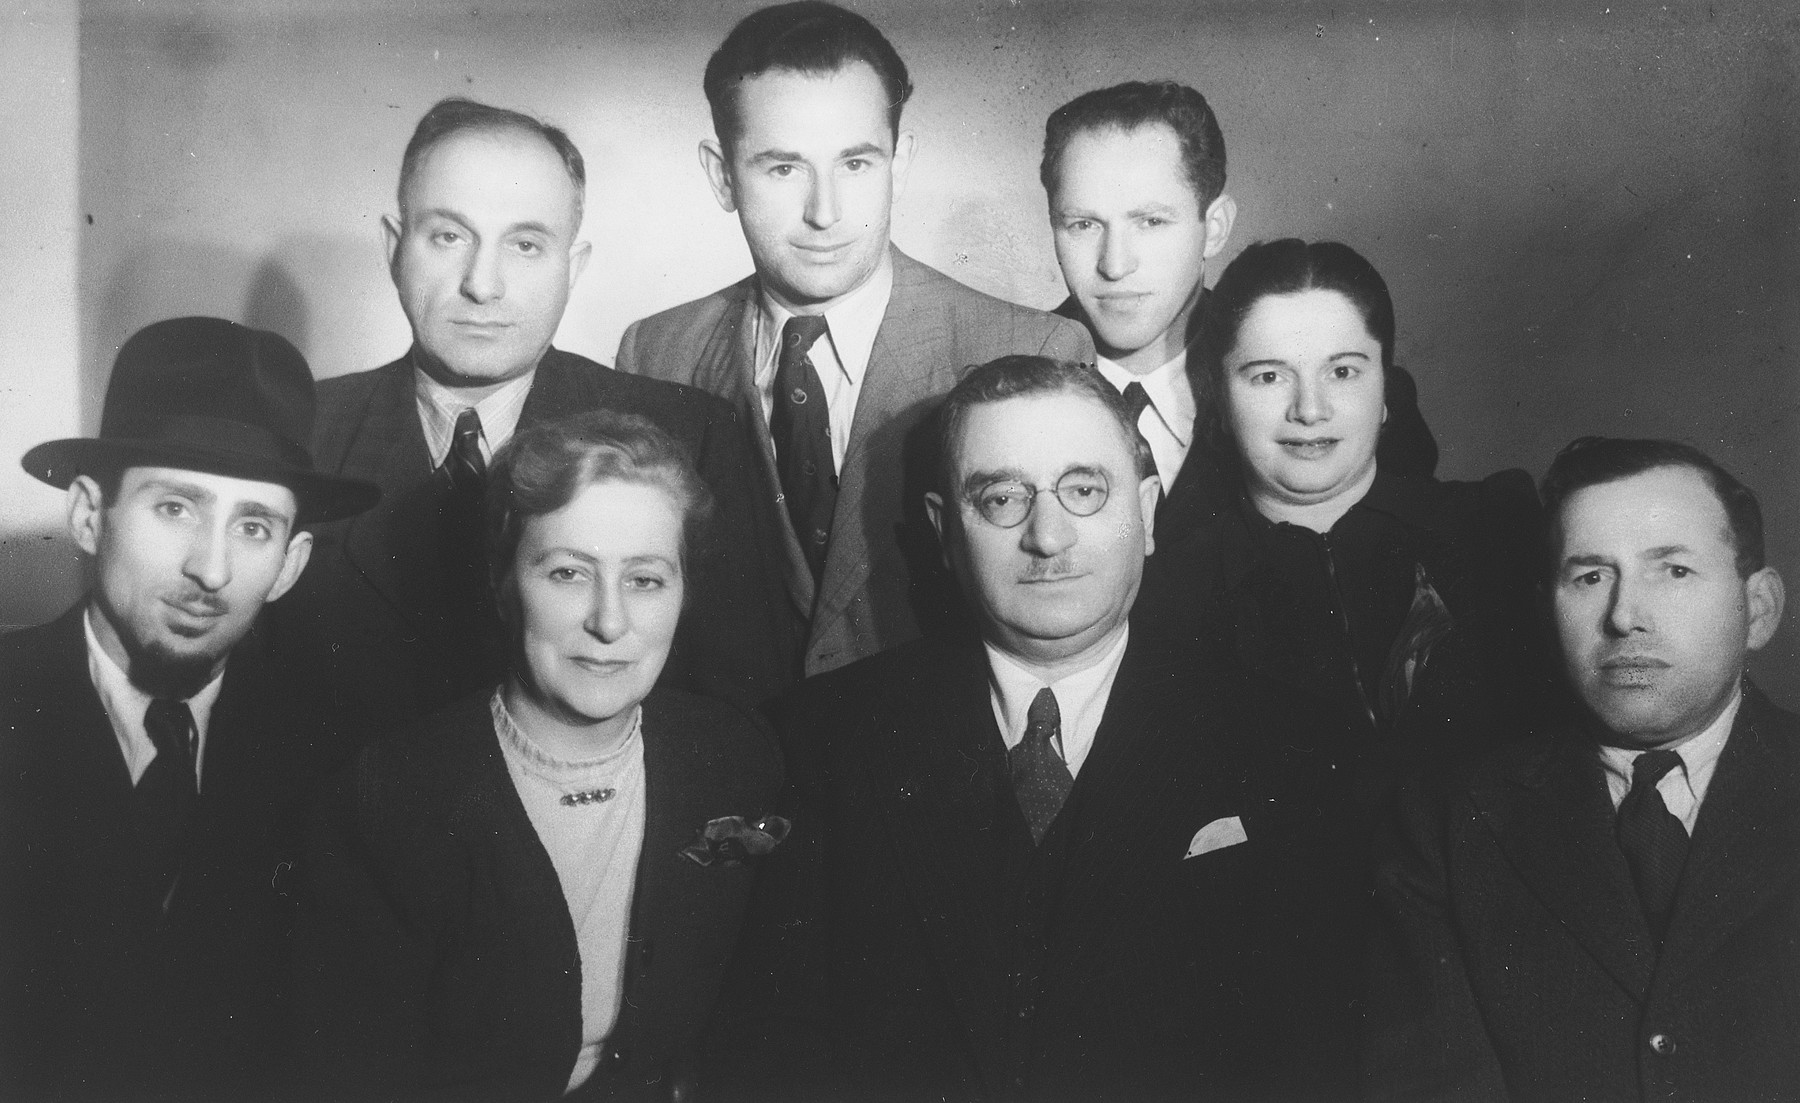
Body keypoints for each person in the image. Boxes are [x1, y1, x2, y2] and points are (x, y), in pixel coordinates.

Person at [707, 356, 1287, 1101]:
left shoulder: (1283, 741)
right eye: (1003, 497)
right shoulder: (823, 738)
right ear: (945, 531)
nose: (1048, 536)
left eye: (1084, 490)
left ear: (1146, 512)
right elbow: (775, 1056)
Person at [291, 411, 783, 1101]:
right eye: (567, 573)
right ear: (502, 582)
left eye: (645, 579)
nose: (609, 622)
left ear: (684, 592)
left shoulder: (732, 757)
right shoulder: (382, 801)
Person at [1175, 239, 1561, 1091]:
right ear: (1218, 392)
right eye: (1268, 375)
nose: (1311, 408)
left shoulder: (1497, 539)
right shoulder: (1164, 589)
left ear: (1388, 389)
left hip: (1501, 1013)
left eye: (1344, 371)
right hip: (1263, 1032)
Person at [279, 97, 791, 733]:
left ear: (572, 269)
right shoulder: (300, 434)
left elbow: (737, 712)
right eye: (447, 237)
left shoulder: (691, 436)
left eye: (525, 244)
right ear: (394, 247)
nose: (483, 284)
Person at [616, 1, 1093, 678]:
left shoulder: (1033, 347)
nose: (825, 212)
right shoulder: (654, 352)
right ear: (722, 175)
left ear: (899, 163)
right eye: (783, 168)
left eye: (857, 164)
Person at [0, 317, 380, 1100]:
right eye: (175, 507)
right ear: (86, 514)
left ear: (289, 564)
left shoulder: (340, 757)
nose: (211, 568)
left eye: (253, 526)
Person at [1367, 437, 1797, 1102]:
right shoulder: (1444, 823)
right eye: (1590, 576)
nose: (1625, 616)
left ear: (1760, 608)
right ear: (1547, 609)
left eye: (1673, 571)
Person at [1039, 81, 1438, 612]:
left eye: (1151, 221)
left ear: (1216, 226)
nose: (1115, 264)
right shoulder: (996, 380)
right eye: (1083, 224)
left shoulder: (1341, 398)